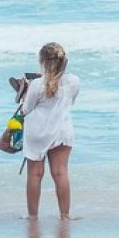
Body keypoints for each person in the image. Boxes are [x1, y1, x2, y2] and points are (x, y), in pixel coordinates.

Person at [21, 42, 80, 220]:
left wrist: (23, 91)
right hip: (62, 129)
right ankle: (64, 215)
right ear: (64, 61)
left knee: (35, 174)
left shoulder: (37, 84)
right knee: (60, 172)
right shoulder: (74, 81)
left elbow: (26, 109)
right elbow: (70, 101)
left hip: (38, 131)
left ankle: (33, 217)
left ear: (43, 61)